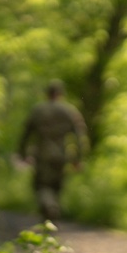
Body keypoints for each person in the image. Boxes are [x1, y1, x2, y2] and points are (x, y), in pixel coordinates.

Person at [17, 79, 88, 220]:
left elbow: (25, 134)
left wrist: (22, 154)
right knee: (56, 186)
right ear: (61, 93)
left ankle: (49, 208)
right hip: (61, 154)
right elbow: (80, 136)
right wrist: (77, 159)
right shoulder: (69, 111)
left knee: (42, 186)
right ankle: (52, 212)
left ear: (47, 93)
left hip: (41, 154)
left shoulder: (38, 110)